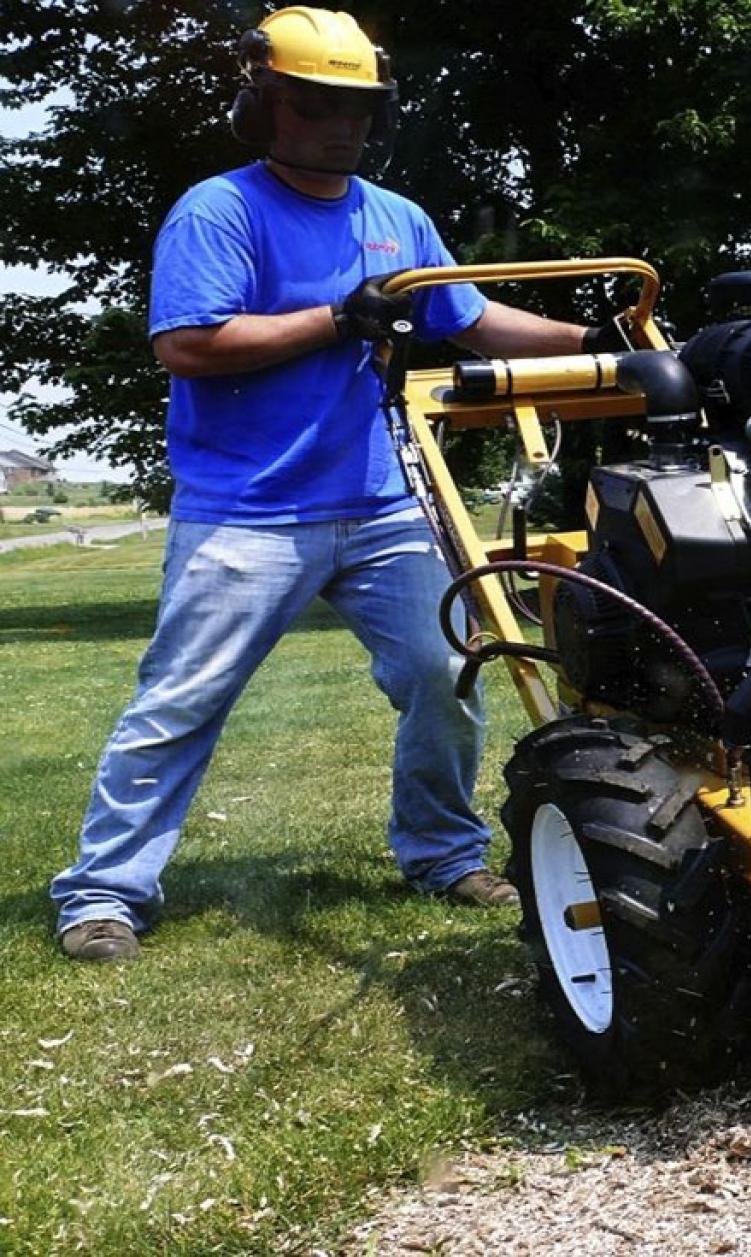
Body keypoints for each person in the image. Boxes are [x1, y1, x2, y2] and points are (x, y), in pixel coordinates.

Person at [51, 7, 622, 961]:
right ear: (263, 106)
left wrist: (597, 341)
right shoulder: (220, 210)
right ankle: (103, 894)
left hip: (379, 503)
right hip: (247, 512)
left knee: (447, 674)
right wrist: (334, 318)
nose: (342, 125)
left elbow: (473, 320)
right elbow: (187, 344)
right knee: (181, 699)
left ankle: (443, 854)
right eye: (316, 105)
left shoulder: (397, 219)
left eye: (358, 107)